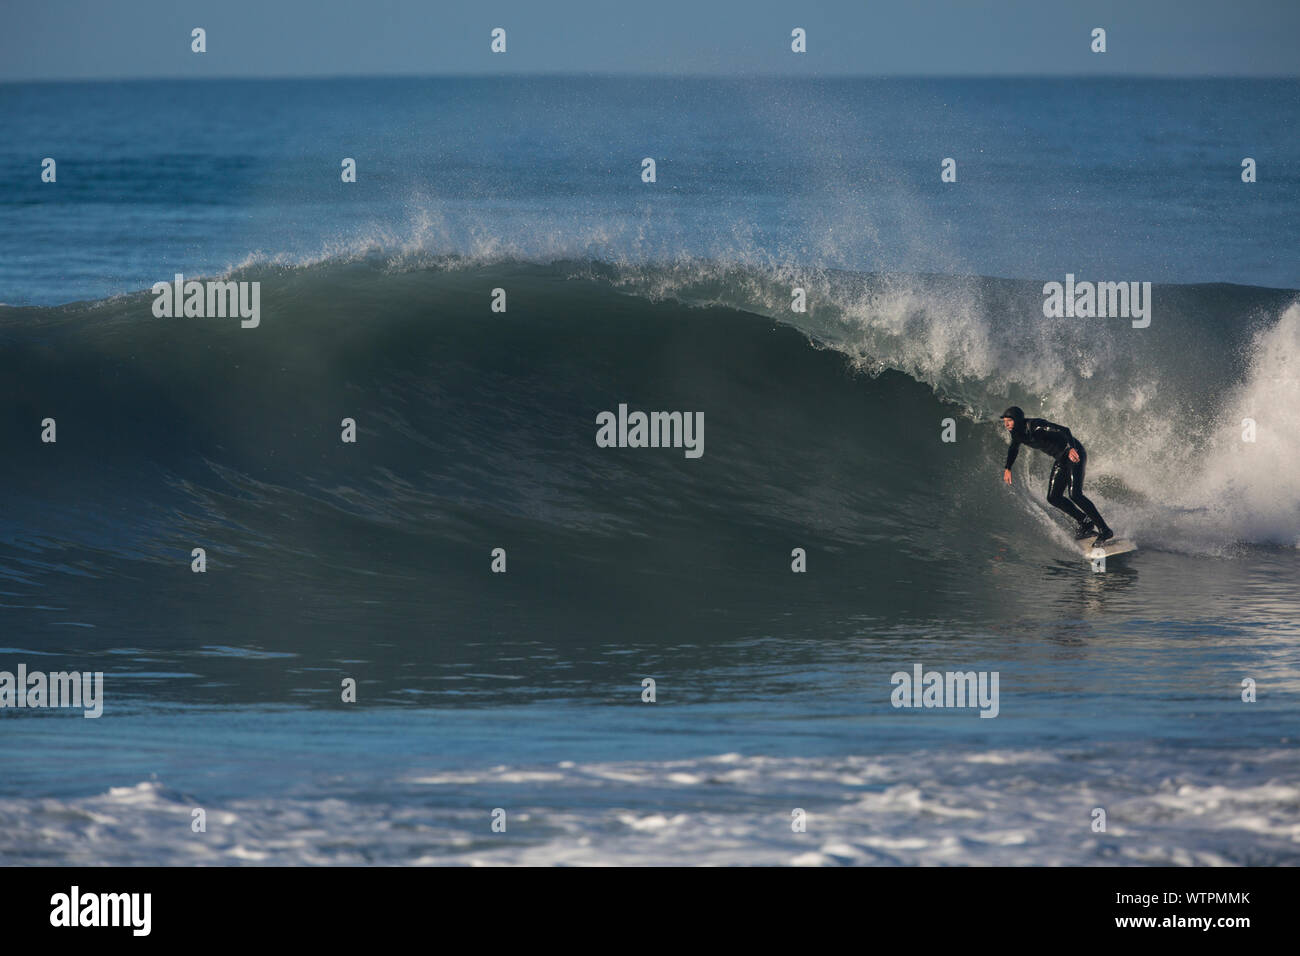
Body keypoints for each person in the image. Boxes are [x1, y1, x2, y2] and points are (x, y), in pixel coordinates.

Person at [999, 406, 1113, 543]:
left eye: (1009, 421)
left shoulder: (1036, 426)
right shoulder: (1016, 433)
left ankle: (1105, 530)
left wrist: (1071, 448)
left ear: (1017, 420)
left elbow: (1065, 430)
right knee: (1053, 497)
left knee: (1075, 494)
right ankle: (1085, 522)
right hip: (1061, 458)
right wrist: (1008, 468)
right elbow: (1013, 448)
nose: (1006, 424)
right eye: (1004, 421)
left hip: (1074, 454)